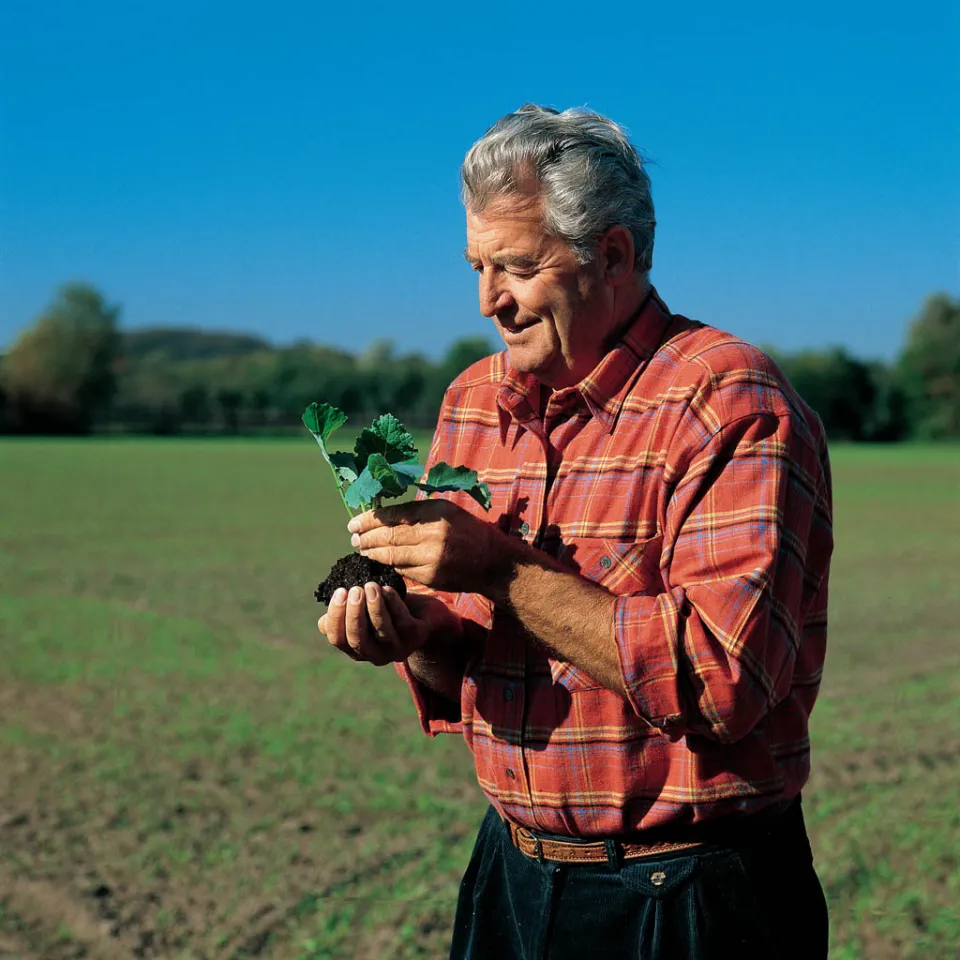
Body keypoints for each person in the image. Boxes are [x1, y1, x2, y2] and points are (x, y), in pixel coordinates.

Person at [318, 104, 833, 959]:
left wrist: (499, 569)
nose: (490, 301)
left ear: (615, 256)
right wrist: (412, 635)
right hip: (512, 871)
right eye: (478, 266)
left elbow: (723, 682)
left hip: (691, 895)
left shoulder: (729, 403)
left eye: (517, 266)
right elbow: (475, 656)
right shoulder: (474, 402)